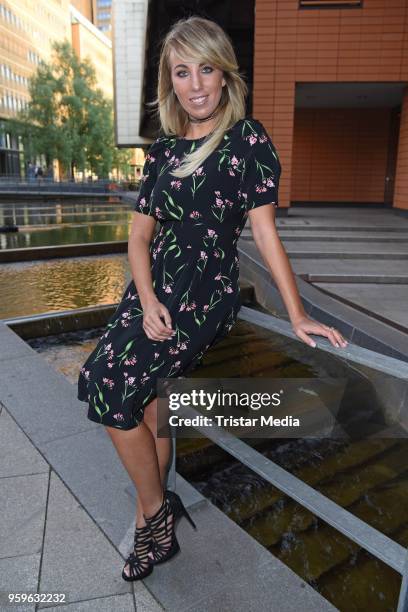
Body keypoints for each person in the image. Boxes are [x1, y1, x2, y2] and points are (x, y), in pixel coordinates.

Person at [77, 15, 348, 582]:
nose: (195, 83)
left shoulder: (247, 141)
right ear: (169, 82)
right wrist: (146, 299)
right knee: (143, 401)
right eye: (182, 71)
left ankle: (156, 516)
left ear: (224, 76)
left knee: (108, 384)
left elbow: (267, 234)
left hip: (203, 292)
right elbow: (139, 237)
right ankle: (155, 507)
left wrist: (297, 313)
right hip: (151, 289)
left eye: (206, 68)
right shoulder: (163, 153)